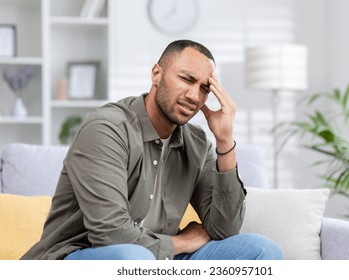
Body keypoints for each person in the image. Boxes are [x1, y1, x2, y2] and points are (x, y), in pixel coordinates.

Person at [21, 39, 282, 260]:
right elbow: (111, 235)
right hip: (82, 255)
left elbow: (224, 228)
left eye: (204, 88)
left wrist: (225, 143)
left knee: (261, 250)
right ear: (156, 74)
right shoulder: (107, 129)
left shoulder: (197, 142)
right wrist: (184, 242)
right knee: (135, 258)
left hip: (159, 258)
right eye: (186, 79)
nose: (194, 96)